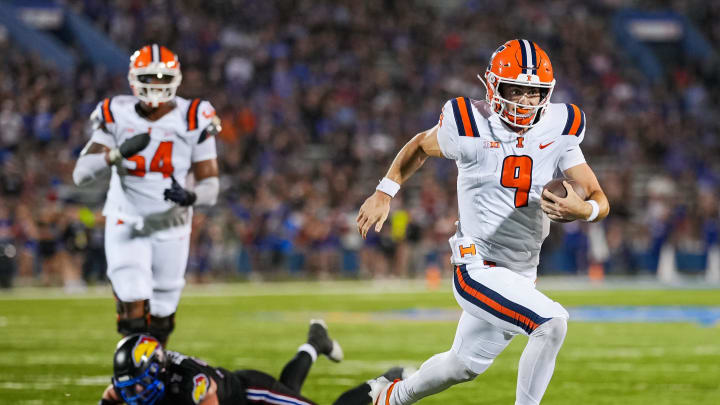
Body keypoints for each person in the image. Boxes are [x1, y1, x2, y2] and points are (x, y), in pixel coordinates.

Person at [357, 39, 610, 405]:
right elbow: (419, 145)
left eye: (533, 92)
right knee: (551, 323)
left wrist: (583, 211)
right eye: (516, 89)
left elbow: (599, 198)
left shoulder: (561, 125)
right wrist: (384, 192)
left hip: (522, 270)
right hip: (477, 263)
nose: (524, 100)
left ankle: (388, 398)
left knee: (463, 366)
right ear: (494, 86)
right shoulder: (468, 122)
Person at [72, 44, 221, 346]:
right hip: (126, 217)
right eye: (148, 77)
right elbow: (81, 175)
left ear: (175, 79)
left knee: (164, 312)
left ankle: (156, 376)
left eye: (161, 78)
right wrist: (115, 154)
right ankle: (131, 379)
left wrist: (191, 197)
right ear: (133, 78)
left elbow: (211, 185)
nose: (154, 85)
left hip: (172, 223)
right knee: (132, 301)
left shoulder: (194, 115)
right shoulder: (116, 112)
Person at [99, 320, 406, 405]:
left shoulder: (193, 384)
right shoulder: (134, 382)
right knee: (291, 389)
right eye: (130, 385)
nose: (135, 392)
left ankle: (380, 384)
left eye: (139, 382)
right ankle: (315, 341)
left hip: (252, 395)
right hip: (241, 388)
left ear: (158, 369)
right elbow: (112, 395)